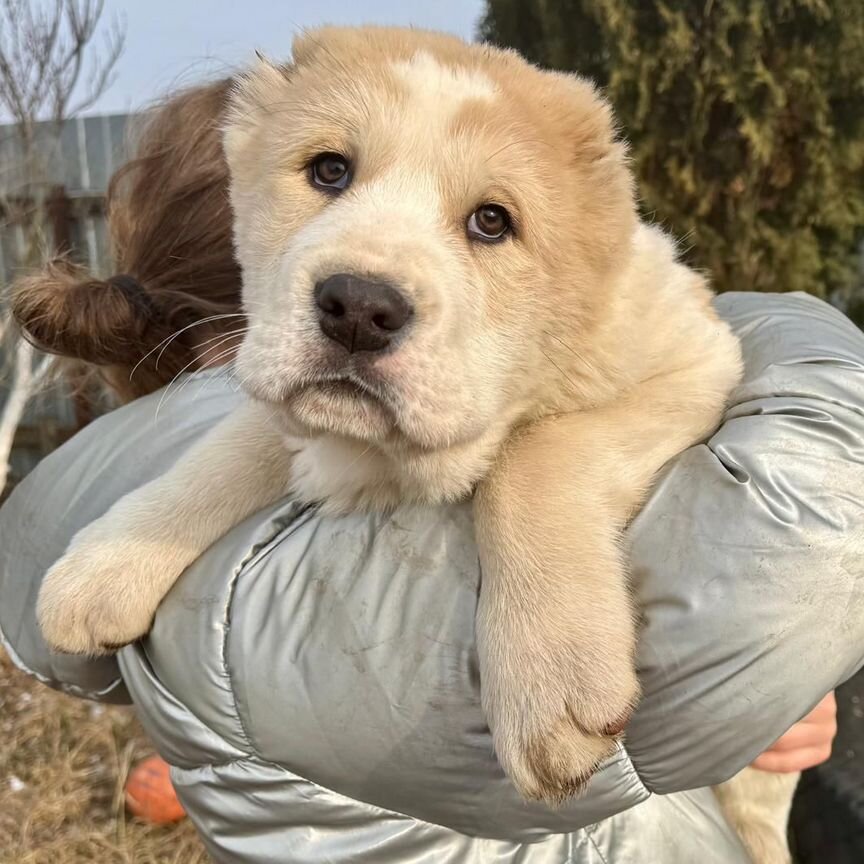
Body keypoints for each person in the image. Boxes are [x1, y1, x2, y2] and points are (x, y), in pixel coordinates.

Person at [1, 78, 862, 864]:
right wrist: (793, 328)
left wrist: (760, 711)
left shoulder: (165, 484)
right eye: (328, 176)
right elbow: (781, 572)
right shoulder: (260, 556)